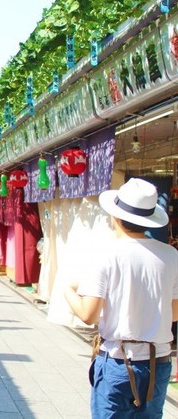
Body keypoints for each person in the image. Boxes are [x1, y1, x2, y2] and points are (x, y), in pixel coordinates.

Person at [65, 178, 178, 417]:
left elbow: (88, 314)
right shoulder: (171, 256)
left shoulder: (105, 253)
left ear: (114, 217)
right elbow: (174, 313)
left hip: (118, 359)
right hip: (158, 360)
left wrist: (66, 291)